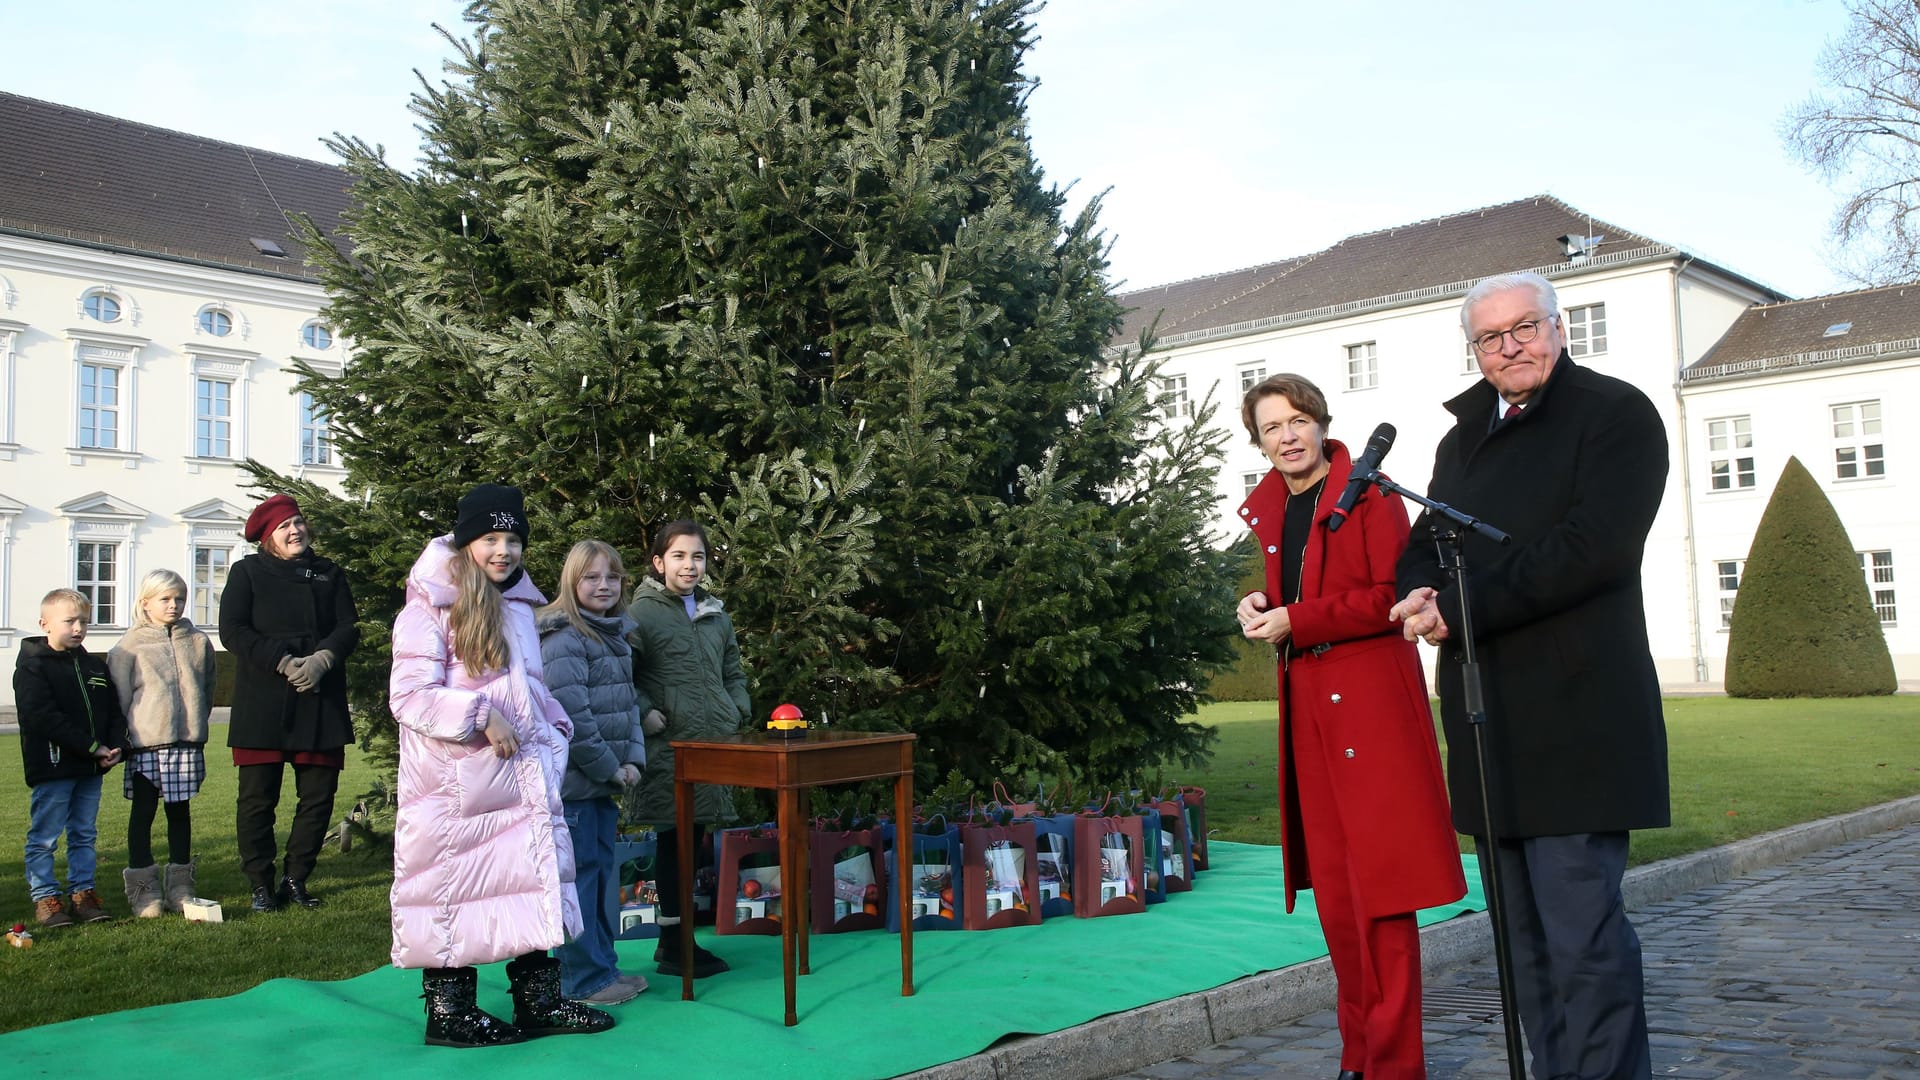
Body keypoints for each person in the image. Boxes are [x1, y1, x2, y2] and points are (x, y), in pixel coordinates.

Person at [1391, 271, 1669, 1080]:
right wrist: (1418, 589)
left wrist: (1463, 605)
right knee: (1522, 946)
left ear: (1558, 327)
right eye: (1490, 337)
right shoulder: (1463, 436)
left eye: (1524, 328)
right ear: (1474, 350)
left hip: (1578, 716)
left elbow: (1595, 547)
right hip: (1487, 721)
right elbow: (1426, 538)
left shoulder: (1615, 415)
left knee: (1584, 941)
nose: (1509, 346)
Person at [1234, 374, 1466, 1080]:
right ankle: (1359, 1057)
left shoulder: (1370, 491)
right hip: (1307, 704)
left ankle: (1396, 1066)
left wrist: (1294, 619)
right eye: (1272, 427)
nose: (1287, 436)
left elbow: (1385, 597)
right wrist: (1259, 605)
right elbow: (1294, 595)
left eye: (1297, 420)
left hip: (1370, 704)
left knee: (1384, 895)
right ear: (1261, 441)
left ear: (1321, 422)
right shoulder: (1276, 507)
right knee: (1337, 895)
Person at [389, 483, 614, 1048]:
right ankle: (449, 1011)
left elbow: (528, 686)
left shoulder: (516, 606)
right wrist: (480, 714)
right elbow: (409, 697)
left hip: (517, 778)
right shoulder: (428, 610)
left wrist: (554, 722)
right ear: (465, 543)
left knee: (529, 879)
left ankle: (539, 1001)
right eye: (490, 538)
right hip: (454, 784)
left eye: (512, 539)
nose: (503, 551)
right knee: (451, 888)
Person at [220, 494, 359, 913]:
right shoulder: (246, 573)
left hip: (319, 698)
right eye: (284, 526)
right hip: (263, 698)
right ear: (267, 538)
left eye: (297, 522)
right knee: (257, 800)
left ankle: (296, 877)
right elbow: (233, 631)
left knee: (317, 798)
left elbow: (348, 625)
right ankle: (261, 884)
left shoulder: (329, 573)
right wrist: (280, 661)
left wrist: (323, 659)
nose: (294, 530)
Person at [625, 519, 751, 979]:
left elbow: (733, 669)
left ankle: (674, 942)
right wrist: (643, 711)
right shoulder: (641, 613)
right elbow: (624, 673)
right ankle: (675, 944)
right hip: (669, 746)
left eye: (697, 556)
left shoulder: (715, 613)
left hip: (711, 743)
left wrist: (736, 706)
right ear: (659, 562)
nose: (689, 565)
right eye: (678, 556)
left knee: (693, 840)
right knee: (672, 840)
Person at [538, 539, 650, 1006]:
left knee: (601, 877)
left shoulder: (615, 636)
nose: (603, 585)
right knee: (580, 883)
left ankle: (603, 967)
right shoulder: (566, 640)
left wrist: (634, 761)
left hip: (604, 785)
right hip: (578, 786)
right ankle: (580, 981)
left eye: (612, 576)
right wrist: (611, 768)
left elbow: (627, 707)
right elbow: (573, 719)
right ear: (572, 582)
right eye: (591, 577)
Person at [107, 569, 217, 917]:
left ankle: (181, 885)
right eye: (165, 599)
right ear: (145, 602)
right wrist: (125, 739)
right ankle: (143, 889)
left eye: (179, 598)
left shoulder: (198, 642)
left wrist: (196, 722)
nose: (174, 605)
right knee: (143, 814)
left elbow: (207, 688)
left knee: (179, 813)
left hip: (185, 743)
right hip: (145, 745)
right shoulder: (128, 647)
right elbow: (119, 700)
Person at [14, 588, 126, 927]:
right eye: (70, 621)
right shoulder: (33, 668)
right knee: (45, 836)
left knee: (83, 833)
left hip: (90, 769)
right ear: (44, 623)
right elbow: (41, 717)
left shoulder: (94, 666)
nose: (78, 628)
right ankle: (46, 897)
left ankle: (83, 895)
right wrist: (92, 747)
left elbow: (112, 711)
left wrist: (115, 745)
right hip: (53, 767)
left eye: (84, 622)